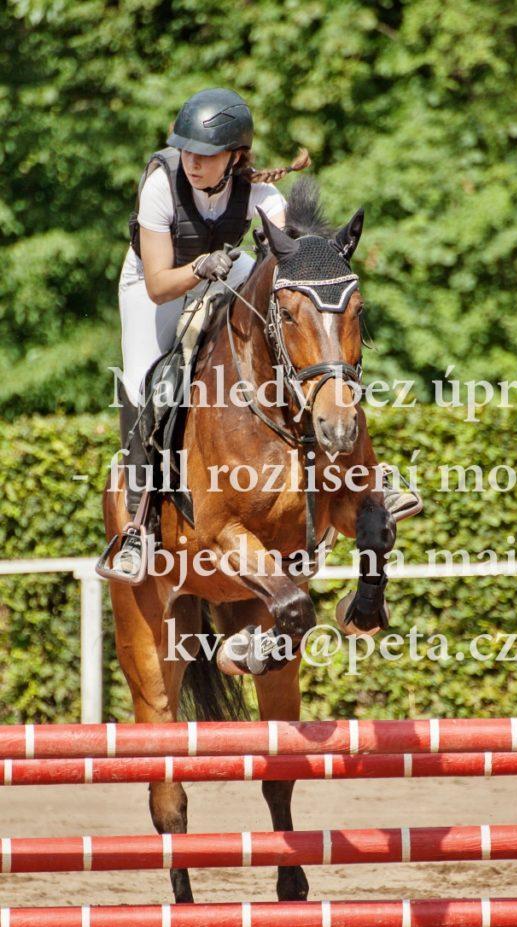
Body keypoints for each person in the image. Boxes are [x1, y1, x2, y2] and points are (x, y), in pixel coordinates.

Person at [110, 87, 420, 580]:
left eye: (206, 154)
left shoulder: (264, 198)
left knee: (303, 348)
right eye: (187, 150)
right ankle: (138, 522)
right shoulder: (161, 186)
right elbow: (159, 284)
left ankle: (366, 475)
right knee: (149, 382)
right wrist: (200, 267)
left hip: (227, 268)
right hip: (157, 283)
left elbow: (292, 269)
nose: (193, 162)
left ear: (235, 157)